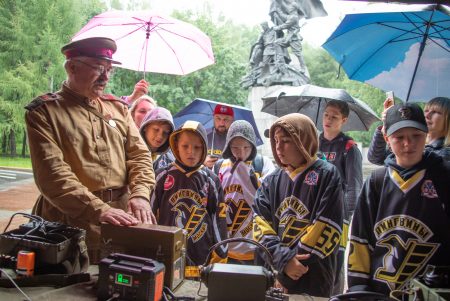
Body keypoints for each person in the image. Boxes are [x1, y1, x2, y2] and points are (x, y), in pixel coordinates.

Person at [25, 37, 156, 263]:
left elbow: (140, 156)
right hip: (69, 224)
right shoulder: (44, 112)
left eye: (109, 70)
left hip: (122, 221)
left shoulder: (117, 109)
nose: (105, 77)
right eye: (98, 68)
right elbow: (53, 176)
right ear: (72, 67)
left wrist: (141, 194)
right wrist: (99, 210)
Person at [348, 103, 450, 295]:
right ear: (387, 138)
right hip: (380, 292)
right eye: (399, 137)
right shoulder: (377, 181)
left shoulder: (443, 177)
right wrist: (358, 289)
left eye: (416, 136)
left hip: (431, 293)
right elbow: (360, 239)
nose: (408, 144)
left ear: (427, 134)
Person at [252, 113, 344, 297]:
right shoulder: (271, 181)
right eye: (276, 140)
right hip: (275, 274)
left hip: (313, 276)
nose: (278, 147)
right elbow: (260, 225)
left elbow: (324, 227)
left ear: (304, 140)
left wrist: (289, 270)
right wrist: (283, 262)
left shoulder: (327, 175)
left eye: (286, 140)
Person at [150, 120, 228, 266]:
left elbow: (219, 218)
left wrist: (221, 251)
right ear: (176, 146)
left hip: (201, 254)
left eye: (197, 147)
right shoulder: (162, 176)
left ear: (204, 148)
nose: (191, 152)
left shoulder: (211, 180)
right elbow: (150, 214)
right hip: (166, 252)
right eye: (185, 146)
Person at [213, 120, 276, 264]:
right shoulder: (219, 166)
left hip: (255, 248)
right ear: (228, 146)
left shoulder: (263, 164)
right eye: (235, 148)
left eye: (246, 147)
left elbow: (268, 199)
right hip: (225, 248)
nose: (241, 153)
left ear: (253, 146)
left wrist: (250, 177)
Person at [368, 96, 450, 164]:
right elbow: (375, 158)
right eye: (426, 111)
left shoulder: (445, 154)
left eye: (435, 112)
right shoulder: (414, 141)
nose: (427, 115)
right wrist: (388, 123)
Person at [204, 104, 234, 168]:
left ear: (232, 120)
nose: (221, 123)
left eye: (226, 119)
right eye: (218, 118)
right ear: (213, 118)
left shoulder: (236, 139)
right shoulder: (203, 135)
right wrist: (203, 161)